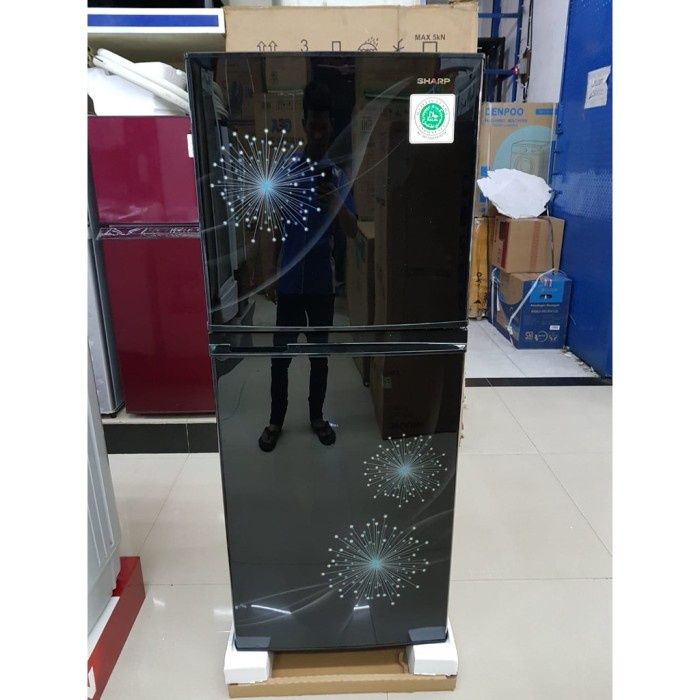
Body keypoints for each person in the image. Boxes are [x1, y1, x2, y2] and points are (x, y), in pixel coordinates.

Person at [258, 81, 357, 453]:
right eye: (312, 126)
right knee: (280, 358)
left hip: (320, 285)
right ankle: (275, 421)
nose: (318, 133)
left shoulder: (339, 176)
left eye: (324, 127)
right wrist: (269, 273)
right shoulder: (285, 172)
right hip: (288, 283)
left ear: (331, 128)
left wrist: (334, 201)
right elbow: (272, 226)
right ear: (303, 125)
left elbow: (352, 231)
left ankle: (317, 417)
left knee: (319, 358)